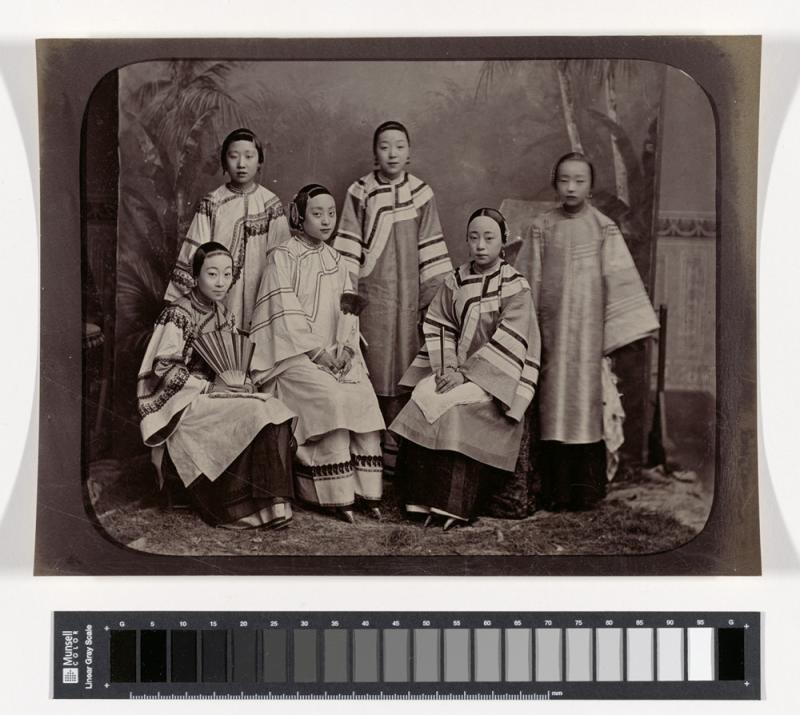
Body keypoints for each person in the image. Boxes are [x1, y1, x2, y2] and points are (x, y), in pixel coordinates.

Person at [515, 151, 659, 511]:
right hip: (551, 335)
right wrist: (527, 331)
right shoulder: (541, 227)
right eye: (564, 180)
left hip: (589, 336)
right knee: (552, 408)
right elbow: (526, 282)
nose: (571, 187)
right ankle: (553, 491)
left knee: (585, 407)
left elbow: (619, 282)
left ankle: (586, 492)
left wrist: (611, 337)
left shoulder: (603, 227)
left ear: (591, 186)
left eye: (579, 180)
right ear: (555, 183)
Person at [390, 209, 541, 529]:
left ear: (503, 242)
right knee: (423, 396)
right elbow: (440, 325)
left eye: (489, 238)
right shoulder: (455, 280)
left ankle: (452, 504)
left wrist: (467, 373)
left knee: (455, 410)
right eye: (474, 238)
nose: (481, 245)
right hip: (456, 367)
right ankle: (419, 499)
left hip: (497, 375)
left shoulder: (515, 285)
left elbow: (512, 340)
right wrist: (447, 368)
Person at [249, 184, 385, 523]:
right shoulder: (282, 256)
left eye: (331, 213)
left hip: (333, 355)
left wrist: (345, 351)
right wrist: (318, 353)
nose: (326, 221)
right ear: (299, 216)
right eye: (317, 213)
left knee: (361, 391)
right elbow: (284, 316)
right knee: (332, 396)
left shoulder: (337, 260)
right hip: (292, 358)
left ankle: (365, 491)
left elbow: (348, 313)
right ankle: (332, 493)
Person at [138, 242, 297, 530]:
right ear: (195, 275)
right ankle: (234, 507)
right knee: (255, 415)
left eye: (226, 274)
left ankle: (272, 505)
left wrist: (244, 384)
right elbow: (163, 367)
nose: (221, 282)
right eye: (212, 274)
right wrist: (208, 388)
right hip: (182, 404)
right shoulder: (178, 314)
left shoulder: (224, 314)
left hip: (216, 397)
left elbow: (233, 363)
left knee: (273, 407)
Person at [331, 120, 452, 476]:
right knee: (370, 366)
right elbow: (349, 247)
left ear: (409, 152)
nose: (392, 153)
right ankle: (369, 458)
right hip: (372, 298)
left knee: (406, 368)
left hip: (409, 297)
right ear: (374, 153)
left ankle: (400, 459)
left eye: (399, 146)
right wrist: (347, 299)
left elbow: (431, 248)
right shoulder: (360, 191)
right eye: (385, 146)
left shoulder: (421, 193)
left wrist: (432, 302)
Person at [163, 127, 291, 330]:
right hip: (219, 292)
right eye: (233, 157)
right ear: (224, 162)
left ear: (259, 162)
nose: (241, 164)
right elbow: (196, 253)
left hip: (261, 294)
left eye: (249, 156)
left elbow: (282, 258)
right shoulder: (213, 202)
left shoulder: (270, 204)